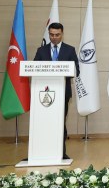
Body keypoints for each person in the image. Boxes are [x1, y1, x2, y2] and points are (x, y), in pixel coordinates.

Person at [34, 22, 80, 159]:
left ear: (62, 34)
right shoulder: (41, 51)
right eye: (51, 35)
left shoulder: (69, 50)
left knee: (60, 123)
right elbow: (34, 68)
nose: (54, 37)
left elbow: (76, 70)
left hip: (63, 93)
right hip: (44, 94)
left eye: (57, 35)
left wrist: (62, 70)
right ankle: (43, 151)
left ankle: (61, 152)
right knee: (45, 123)